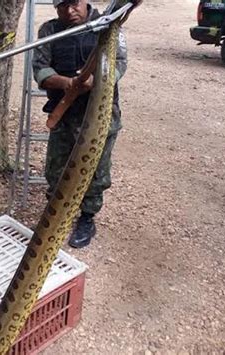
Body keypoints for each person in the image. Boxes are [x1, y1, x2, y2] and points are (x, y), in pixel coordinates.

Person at [33, 0, 138, 248]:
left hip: (99, 114)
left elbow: (120, 63)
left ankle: (87, 218)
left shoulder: (108, 25)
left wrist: (96, 79)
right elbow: (40, 68)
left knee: (96, 171)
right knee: (56, 168)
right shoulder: (49, 31)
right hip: (65, 112)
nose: (69, 11)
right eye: (62, 7)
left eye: (74, 4)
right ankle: (56, 215)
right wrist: (66, 83)